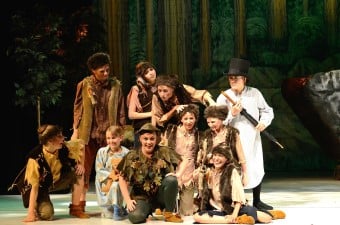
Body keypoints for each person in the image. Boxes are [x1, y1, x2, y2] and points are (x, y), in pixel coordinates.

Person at [216, 58, 274, 211]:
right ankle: (231, 201)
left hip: (252, 137)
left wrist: (264, 122)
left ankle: (257, 200)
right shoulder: (223, 97)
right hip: (232, 139)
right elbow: (216, 121)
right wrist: (232, 114)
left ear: (245, 79)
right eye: (230, 78)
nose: (232, 80)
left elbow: (268, 111)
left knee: (255, 166)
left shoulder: (255, 93)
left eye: (235, 78)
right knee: (233, 170)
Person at [71, 52, 126, 211]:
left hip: (109, 134)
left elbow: (121, 109)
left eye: (107, 70)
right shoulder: (84, 84)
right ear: (93, 71)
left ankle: (112, 205)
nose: (106, 73)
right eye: (102, 71)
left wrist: (122, 132)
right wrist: (75, 130)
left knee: (112, 169)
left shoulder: (115, 86)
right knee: (83, 169)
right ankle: (79, 205)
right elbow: (77, 108)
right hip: (88, 133)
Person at [193, 143, 285, 224]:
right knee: (197, 216)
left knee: (266, 219)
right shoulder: (208, 171)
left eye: (221, 156)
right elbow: (197, 181)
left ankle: (263, 213)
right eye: (215, 155)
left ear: (227, 159)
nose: (217, 158)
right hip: (219, 209)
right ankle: (232, 220)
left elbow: (238, 196)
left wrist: (234, 214)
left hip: (233, 207)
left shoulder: (231, 171)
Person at [116, 123, 183, 223]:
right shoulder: (132, 155)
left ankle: (169, 214)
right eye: (145, 139)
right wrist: (128, 200)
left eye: (152, 139)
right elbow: (122, 178)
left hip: (159, 195)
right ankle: (147, 211)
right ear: (140, 139)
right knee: (135, 217)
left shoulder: (163, 151)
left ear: (156, 139)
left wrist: (178, 174)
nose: (149, 142)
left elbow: (183, 160)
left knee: (171, 180)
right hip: (141, 197)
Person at [21, 124, 90, 222]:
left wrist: (81, 165)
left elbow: (81, 145)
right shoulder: (35, 158)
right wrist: (30, 213)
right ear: (50, 141)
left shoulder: (63, 147)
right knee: (47, 215)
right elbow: (34, 188)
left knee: (78, 173)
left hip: (56, 180)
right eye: (59, 136)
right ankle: (36, 205)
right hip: (41, 188)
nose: (63, 138)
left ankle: (75, 208)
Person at [161, 104, 201, 216]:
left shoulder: (198, 134)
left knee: (187, 213)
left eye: (191, 118)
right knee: (169, 211)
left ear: (196, 119)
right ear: (181, 119)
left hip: (189, 173)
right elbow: (163, 150)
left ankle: (193, 205)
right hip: (173, 171)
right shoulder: (171, 130)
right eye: (186, 118)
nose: (188, 121)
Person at [198, 105, 248, 186]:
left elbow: (240, 154)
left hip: (229, 169)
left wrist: (245, 174)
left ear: (221, 119)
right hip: (212, 170)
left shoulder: (232, 133)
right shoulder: (207, 134)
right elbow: (203, 155)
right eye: (208, 122)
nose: (210, 125)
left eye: (213, 122)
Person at [152, 74, 216, 132]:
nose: (162, 94)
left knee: (198, 108)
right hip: (171, 125)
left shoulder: (182, 88)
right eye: (159, 90)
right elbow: (160, 120)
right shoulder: (156, 97)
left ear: (173, 89)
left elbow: (199, 93)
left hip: (190, 120)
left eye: (165, 91)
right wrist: (174, 109)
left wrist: (210, 101)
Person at [94, 125, 130, 220]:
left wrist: (121, 176)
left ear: (121, 138)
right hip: (106, 183)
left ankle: (118, 208)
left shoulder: (127, 153)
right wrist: (111, 175)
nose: (110, 141)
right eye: (108, 138)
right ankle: (113, 208)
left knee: (118, 185)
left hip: (121, 182)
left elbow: (129, 170)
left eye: (113, 138)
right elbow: (99, 170)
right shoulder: (102, 152)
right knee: (114, 185)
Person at [126, 61, 157, 147]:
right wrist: (151, 114)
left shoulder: (159, 86)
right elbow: (131, 115)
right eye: (146, 72)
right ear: (142, 77)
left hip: (157, 129)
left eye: (151, 69)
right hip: (142, 129)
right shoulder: (137, 89)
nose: (151, 73)